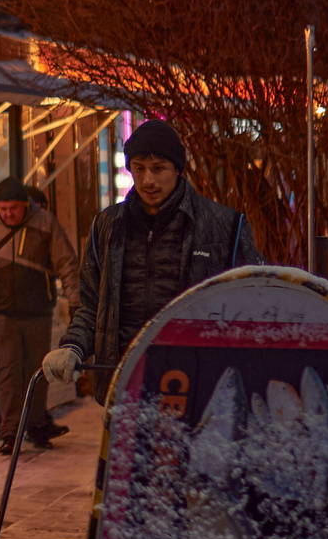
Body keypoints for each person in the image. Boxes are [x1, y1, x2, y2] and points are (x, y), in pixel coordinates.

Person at [44, 119, 259, 391]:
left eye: (158, 169)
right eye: (139, 168)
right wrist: (73, 347)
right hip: (123, 382)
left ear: (177, 169)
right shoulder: (107, 226)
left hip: (199, 386)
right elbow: (92, 308)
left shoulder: (225, 226)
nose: (148, 180)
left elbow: (251, 306)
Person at [0, 177, 72, 450]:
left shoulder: (46, 223)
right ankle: (10, 433)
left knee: (38, 371)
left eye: (13, 209)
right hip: (1, 312)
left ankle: (35, 424)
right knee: (8, 373)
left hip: (37, 312)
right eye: (2, 209)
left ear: (25, 205)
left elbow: (67, 263)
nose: (7, 214)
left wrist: (76, 303)